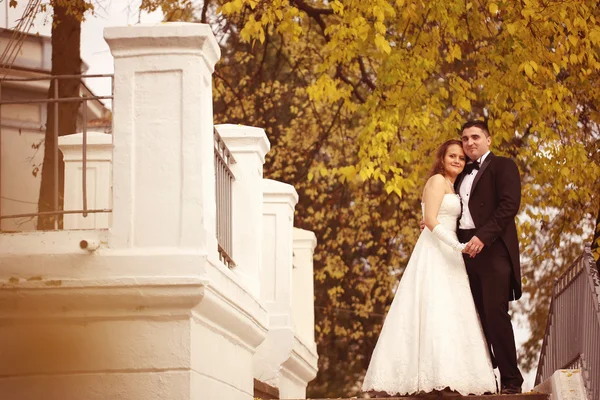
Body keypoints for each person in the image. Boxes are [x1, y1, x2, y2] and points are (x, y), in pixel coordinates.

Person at [362, 140, 497, 397]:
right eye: (452, 156)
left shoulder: (452, 185)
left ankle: (450, 374)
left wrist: (455, 246)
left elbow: (432, 217)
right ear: (442, 158)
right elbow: (432, 220)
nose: (457, 160)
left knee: (452, 310)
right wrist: (457, 246)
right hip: (436, 250)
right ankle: (428, 376)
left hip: (450, 252)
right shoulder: (436, 181)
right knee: (433, 306)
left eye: (460, 157)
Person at [456, 120, 524, 394]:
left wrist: (483, 237)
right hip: (462, 250)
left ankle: (511, 380)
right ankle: (485, 379)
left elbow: (509, 205)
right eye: (465, 139)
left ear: (488, 140)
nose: (470, 142)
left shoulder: (504, 165)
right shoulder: (460, 173)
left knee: (495, 314)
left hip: (493, 248)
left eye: (475, 137)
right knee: (474, 318)